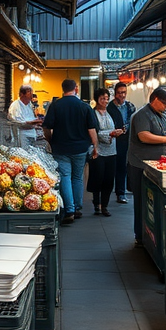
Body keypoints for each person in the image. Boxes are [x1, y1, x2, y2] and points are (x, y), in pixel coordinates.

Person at [127, 88, 166, 245]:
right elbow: (144, 136)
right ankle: (140, 235)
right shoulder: (141, 115)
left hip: (158, 165)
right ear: (155, 99)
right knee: (142, 200)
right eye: (165, 104)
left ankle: (153, 234)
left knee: (153, 200)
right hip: (141, 165)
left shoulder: (162, 116)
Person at [43, 78, 98, 224]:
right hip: (80, 148)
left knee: (65, 176)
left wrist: (50, 140)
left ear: (63, 89)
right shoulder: (84, 106)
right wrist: (95, 147)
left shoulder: (55, 106)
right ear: (76, 89)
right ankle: (77, 207)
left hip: (60, 148)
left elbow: (46, 127)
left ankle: (69, 209)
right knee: (77, 177)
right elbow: (91, 129)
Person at [90, 88, 124, 216]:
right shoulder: (93, 113)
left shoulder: (110, 112)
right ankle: (96, 203)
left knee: (109, 179)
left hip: (111, 149)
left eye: (106, 98)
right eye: (102, 98)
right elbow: (94, 132)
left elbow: (116, 126)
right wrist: (110, 133)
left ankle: (105, 205)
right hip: (97, 150)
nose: (105, 101)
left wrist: (119, 131)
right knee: (97, 177)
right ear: (97, 99)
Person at [106, 82, 136, 204]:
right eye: (119, 93)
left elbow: (133, 121)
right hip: (112, 140)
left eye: (123, 92)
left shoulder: (130, 107)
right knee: (113, 167)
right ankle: (108, 194)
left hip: (126, 140)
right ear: (115, 93)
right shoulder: (110, 108)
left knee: (123, 166)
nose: (122, 95)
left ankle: (121, 192)